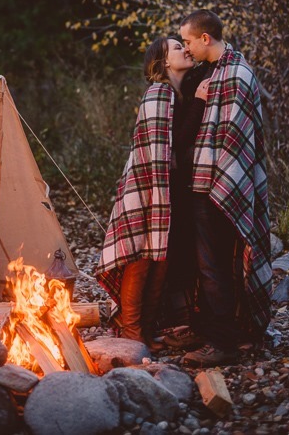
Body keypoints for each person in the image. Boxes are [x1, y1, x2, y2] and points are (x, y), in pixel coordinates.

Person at [164, 9, 272, 367]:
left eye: (189, 40)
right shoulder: (213, 72)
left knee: (215, 266)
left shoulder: (237, 75)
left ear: (205, 38)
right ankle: (215, 329)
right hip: (204, 185)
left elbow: (235, 139)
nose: (188, 47)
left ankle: (223, 342)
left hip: (220, 186)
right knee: (208, 265)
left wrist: (217, 184)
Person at [96, 36, 210, 348]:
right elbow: (171, 146)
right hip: (147, 184)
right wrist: (200, 102)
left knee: (160, 257)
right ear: (161, 63)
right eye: (177, 47)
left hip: (164, 186)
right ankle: (132, 331)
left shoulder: (175, 95)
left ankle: (144, 330)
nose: (185, 50)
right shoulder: (159, 93)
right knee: (141, 256)